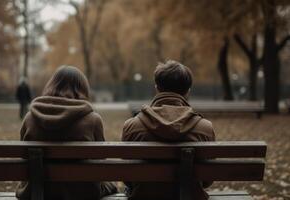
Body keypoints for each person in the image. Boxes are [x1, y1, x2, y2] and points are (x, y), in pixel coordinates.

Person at [16, 65, 117, 200]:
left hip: (38, 192)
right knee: (112, 185)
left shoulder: (29, 118)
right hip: (84, 192)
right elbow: (101, 162)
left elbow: (25, 160)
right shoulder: (93, 120)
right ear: (82, 89)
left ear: (51, 86)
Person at [122, 60, 215, 200]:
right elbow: (207, 180)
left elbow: (127, 177)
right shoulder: (205, 127)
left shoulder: (131, 126)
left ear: (157, 88)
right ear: (188, 91)